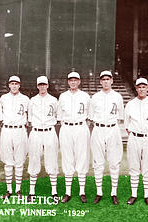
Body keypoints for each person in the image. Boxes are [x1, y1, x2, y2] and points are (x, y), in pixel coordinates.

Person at [89, 71, 123, 204]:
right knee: (98, 162)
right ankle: (99, 192)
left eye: (108, 79)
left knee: (114, 162)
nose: (105, 81)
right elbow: (91, 118)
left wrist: (111, 127)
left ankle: (114, 192)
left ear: (112, 80)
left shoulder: (118, 97)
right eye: (103, 79)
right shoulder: (95, 97)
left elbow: (120, 117)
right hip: (98, 129)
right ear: (100, 81)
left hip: (112, 129)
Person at [124, 78, 148, 206]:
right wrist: (135, 134)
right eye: (139, 87)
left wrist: (147, 135)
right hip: (134, 137)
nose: (141, 89)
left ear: (147, 88)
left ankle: (147, 195)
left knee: (147, 167)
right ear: (136, 88)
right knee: (134, 167)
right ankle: (133, 194)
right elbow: (126, 125)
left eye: (144, 86)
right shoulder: (130, 104)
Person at [57, 72, 91, 203]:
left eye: (75, 80)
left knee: (82, 157)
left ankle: (82, 191)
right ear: (68, 82)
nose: (73, 82)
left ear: (79, 82)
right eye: (70, 80)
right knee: (67, 158)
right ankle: (68, 192)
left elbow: (90, 115)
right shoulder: (63, 96)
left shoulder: (85, 96)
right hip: (66, 127)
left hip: (81, 126)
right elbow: (59, 116)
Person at [27, 76, 58, 202]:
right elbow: (29, 119)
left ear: (48, 85)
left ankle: (54, 191)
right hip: (36, 132)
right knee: (34, 159)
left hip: (50, 131)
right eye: (40, 84)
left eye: (44, 84)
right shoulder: (32, 100)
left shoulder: (54, 100)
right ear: (37, 86)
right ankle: (32, 191)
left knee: (52, 160)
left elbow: (57, 115)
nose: (42, 87)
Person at [0, 76, 29, 199]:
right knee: (8, 162)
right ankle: (8, 190)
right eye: (12, 83)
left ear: (19, 85)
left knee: (19, 162)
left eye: (16, 83)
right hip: (6, 130)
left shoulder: (26, 99)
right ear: (9, 85)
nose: (14, 86)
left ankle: (18, 189)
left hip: (20, 130)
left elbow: (29, 118)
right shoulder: (3, 98)